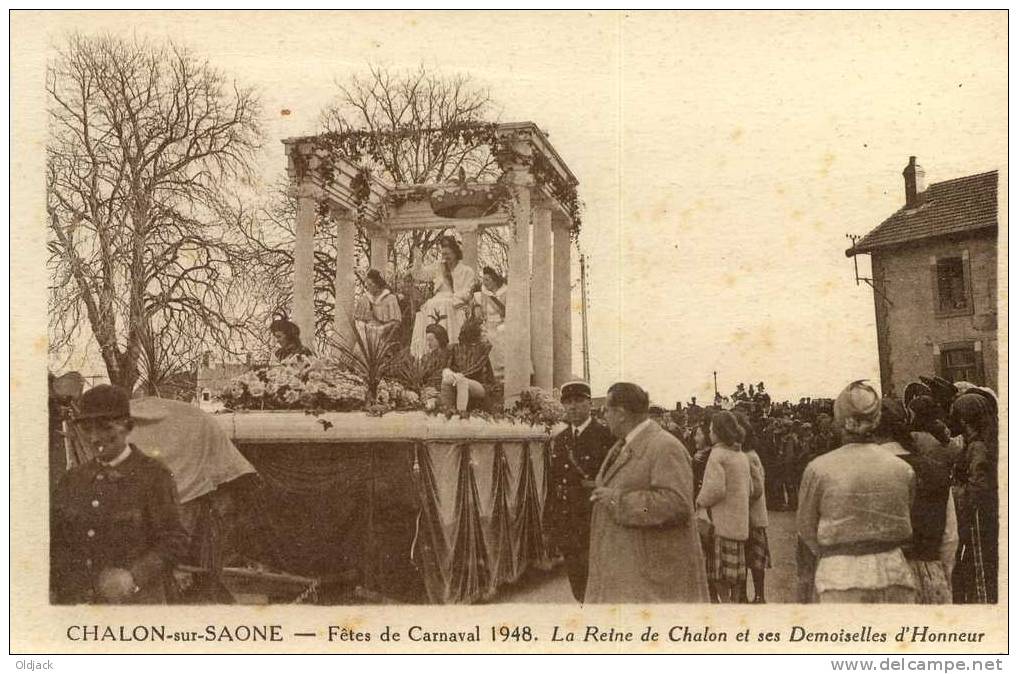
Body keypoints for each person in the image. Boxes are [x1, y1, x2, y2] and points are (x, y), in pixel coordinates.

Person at [51, 385, 189, 604]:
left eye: (105, 428)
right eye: (87, 429)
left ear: (128, 427)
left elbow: (175, 540)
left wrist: (134, 576)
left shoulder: (154, 476)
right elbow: (55, 539)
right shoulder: (72, 480)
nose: (95, 437)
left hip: (135, 605)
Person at [585, 382, 709, 603]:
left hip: (653, 581)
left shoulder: (664, 447)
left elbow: (676, 503)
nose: (604, 416)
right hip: (633, 571)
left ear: (621, 413)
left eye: (606, 410)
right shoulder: (625, 444)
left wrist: (617, 500)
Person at [796, 381, 916, 603]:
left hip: (840, 576)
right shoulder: (902, 469)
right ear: (877, 418)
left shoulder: (818, 469)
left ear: (839, 419)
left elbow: (806, 528)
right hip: (894, 573)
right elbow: (906, 510)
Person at [873, 398, 956, 604]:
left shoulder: (861, 471)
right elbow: (950, 538)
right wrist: (941, 575)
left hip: (881, 579)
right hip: (929, 576)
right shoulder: (935, 470)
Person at [544, 380, 614, 602]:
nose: (572, 407)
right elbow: (553, 482)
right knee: (576, 580)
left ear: (589, 404)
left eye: (578, 401)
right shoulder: (561, 439)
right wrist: (550, 522)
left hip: (594, 520)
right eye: (568, 402)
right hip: (568, 523)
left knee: (598, 583)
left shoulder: (605, 436)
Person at [696, 411, 752, 603]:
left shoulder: (717, 454)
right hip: (739, 523)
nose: (709, 433)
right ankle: (734, 604)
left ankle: (726, 605)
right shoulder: (741, 455)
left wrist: (700, 501)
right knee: (736, 573)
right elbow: (751, 488)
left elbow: (715, 489)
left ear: (718, 432)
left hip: (721, 523)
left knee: (719, 574)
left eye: (711, 430)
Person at [950, 392, 998, 603]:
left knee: (979, 566)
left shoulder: (976, 447)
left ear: (965, 420)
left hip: (977, 520)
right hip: (980, 515)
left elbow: (978, 486)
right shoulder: (981, 443)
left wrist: (956, 492)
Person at [409, 236, 477, 357]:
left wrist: (452, 297)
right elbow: (419, 275)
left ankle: (451, 351)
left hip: (455, 305)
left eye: (448, 254)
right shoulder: (438, 267)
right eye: (443, 254)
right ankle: (431, 353)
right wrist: (418, 260)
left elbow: (468, 292)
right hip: (435, 303)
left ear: (456, 253)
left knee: (445, 304)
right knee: (430, 306)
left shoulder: (467, 271)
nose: (445, 257)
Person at [736, 412, 771, 603]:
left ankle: (758, 595)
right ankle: (751, 594)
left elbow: (756, 488)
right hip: (750, 516)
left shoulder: (748, 457)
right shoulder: (748, 455)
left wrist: (741, 501)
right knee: (749, 558)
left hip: (752, 516)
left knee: (754, 560)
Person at [440, 319, 495, 414]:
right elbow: (446, 367)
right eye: (481, 331)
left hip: (481, 385)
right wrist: (450, 374)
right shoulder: (455, 348)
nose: (484, 333)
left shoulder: (482, 349)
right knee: (446, 380)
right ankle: (447, 411)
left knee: (462, 381)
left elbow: (476, 368)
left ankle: (461, 413)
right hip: (457, 378)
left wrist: (459, 375)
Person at [472, 267, 509, 379]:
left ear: (494, 280)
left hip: (502, 324)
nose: (485, 283)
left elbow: (509, 312)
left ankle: (503, 373)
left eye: (488, 280)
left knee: (500, 337)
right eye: (484, 280)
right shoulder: (483, 295)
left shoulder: (506, 292)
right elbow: (479, 314)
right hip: (488, 325)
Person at [354, 269, 402, 342]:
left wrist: (382, 329)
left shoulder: (390, 299)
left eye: (370, 284)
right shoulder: (364, 300)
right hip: (366, 337)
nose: (368, 287)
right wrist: (365, 327)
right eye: (367, 284)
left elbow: (396, 322)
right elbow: (357, 320)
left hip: (385, 339)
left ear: (378, 284)